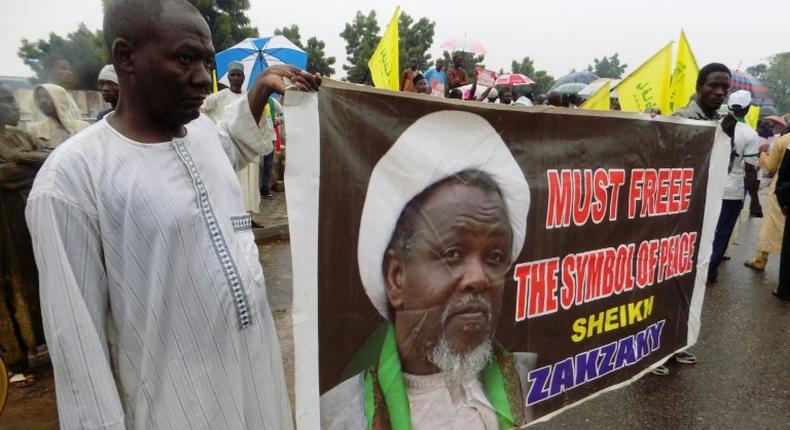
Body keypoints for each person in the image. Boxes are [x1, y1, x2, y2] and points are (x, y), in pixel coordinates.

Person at [25, 0, 319, 428]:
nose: (203, 77)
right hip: (177, 408)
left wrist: (259, 90)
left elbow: (229, 148)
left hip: (256, 383)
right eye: (185, 59)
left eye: (205, 60)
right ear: (126, 57)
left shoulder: (200, 132)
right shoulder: (72, 180)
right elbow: (79, 357)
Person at [321, 111, 534, 430]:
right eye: (452, 254)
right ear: (396, 277)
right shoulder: (342, 417)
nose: (478, 278)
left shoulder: (532, 380)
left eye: (494, 256)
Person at [649, 62, 737, 376]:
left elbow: (720, 174)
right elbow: (665, 168)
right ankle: (652, 354)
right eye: (713, 85)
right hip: (672, 221)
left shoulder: (723, 123)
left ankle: (676, 345)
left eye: (725, 87)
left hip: (699, 219)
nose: (719, 92)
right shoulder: (681, 120)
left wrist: (726, 140)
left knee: (688, 284)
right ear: (699, 87)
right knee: (663, 287)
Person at [0, 84, 49, 380]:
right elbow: (4, 176)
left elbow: (47, 162)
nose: (15, 105)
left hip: (25, 220)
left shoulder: (20, 136)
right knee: (9, 287)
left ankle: (41, 345)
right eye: (7, 100)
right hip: (3, 229)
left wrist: (16, 159)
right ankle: (14, 357)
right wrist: (24, 164)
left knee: (35, 277)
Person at [201, 61, 268, 212]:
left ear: (244, 78)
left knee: (250, 182)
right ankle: (235, 212)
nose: (236, 78)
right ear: (228, 78)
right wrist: (214, 126)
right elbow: (201, 110)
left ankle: (249, 214)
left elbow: (259, 119)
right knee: (234, 181)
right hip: (229, 148)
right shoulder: (218, 97)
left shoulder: (249, 97)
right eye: (233, 75)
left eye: (239, 75)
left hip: (248, 146)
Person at [746, 130, 790, 271]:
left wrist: (763, 154)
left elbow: (771, 167)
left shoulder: (783, 140)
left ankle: (760, 261)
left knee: (771, 226)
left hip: (782, 189)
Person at [25, 84, 89, 149]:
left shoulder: (83, 127)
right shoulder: (34, 130)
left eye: (47, 96)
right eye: (39, 97)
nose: (42, 101)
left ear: (59, 99)